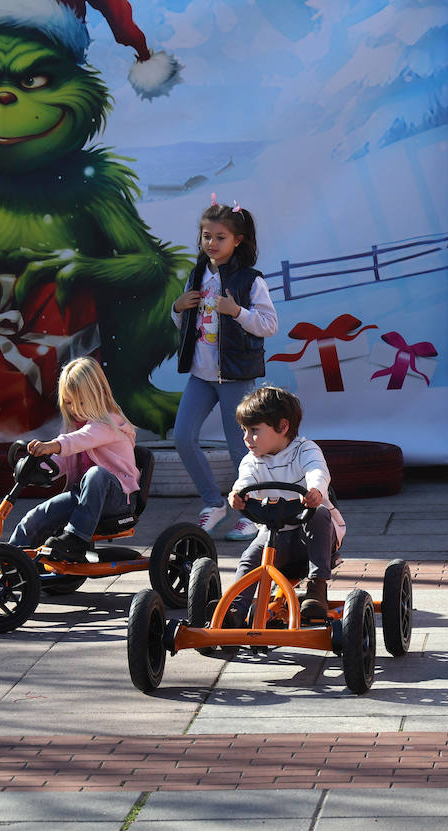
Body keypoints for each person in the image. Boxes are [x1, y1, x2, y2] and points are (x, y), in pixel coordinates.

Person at [172, 199, 279, 542]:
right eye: (206, 236)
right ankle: (213, 504)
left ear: (239, 240)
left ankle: (251, 513)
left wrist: (237, 312)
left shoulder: (250, 280)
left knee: (242, 448)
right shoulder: (197, 274)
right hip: (201, 375)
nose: (211, 244)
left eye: (220, 237)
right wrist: (177, 308)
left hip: (235, 376)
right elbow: (188, 323)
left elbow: (269, 325)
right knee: (183, 437)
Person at [7, 357, 141, 563]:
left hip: (119, 500)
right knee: (35, 518)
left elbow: (81, 439)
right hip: (82, 496)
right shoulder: (72, 427)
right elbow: (61, 459)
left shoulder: (108, 422)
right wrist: (37, 468)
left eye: (80, 401)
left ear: (98, 396)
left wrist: (52, 445)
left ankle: (76, 539)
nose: (74, 408)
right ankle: (10, 563)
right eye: (69, 402)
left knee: (97, 474)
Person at [228, 386, 347, 619]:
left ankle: (316, 588)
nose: (246, 438)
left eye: (254, 430)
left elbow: (317, 471)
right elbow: (245, 480)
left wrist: (315, 490)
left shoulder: (304, 450)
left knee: (320, 513)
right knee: (250, 558)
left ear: (283, 427)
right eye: (244, 430)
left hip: (311, 539)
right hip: (275, 538)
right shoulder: (252, 461)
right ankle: (235, 608)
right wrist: (238, 493)